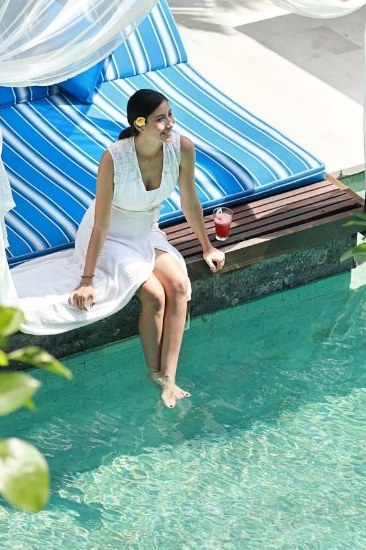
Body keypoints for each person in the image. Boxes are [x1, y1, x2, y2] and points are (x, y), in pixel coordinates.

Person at [16, 87, 225, 408]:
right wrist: (86, 279)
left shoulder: (182, 148)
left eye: (170, 115)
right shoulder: (114, 158)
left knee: (180, 286)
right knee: (155, 296)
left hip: (146, 230)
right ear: (140, 124)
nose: (170, 123)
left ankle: (169, 378)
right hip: (110, 235)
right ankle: (155, 373)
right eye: (161, 119)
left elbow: (189, 201)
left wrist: (207, 246)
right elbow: (101, 223)